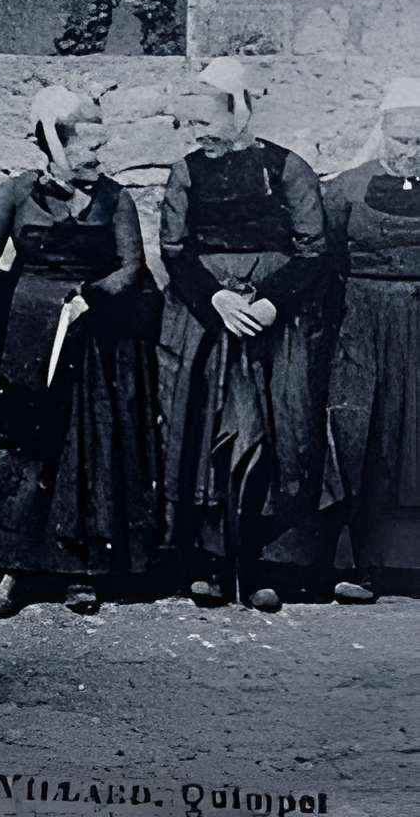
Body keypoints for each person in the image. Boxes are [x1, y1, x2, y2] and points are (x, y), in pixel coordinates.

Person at [0, 85, 162, 621]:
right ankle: (9, 571)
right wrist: (23, 302)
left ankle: (81, 570)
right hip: (26, 338)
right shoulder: (15, 193)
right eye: (84, 150)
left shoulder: (114, 198)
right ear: (53, 143)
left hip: (93, 340)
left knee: (87, 449)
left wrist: (89, 300)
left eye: (100, 150)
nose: (95, 160)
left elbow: (131, 266)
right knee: (23, 450)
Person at [158, 56, 331, 612]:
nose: (200, 130)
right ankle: (209, 565)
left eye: (210, 117)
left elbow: (314, 250)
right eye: (193, 121)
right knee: (211, 430)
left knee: (280, 429)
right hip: (209, 319)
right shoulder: (186, 171)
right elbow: (174, 251)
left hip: (274, 326)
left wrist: (273, 303)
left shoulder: (287, 167)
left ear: (240, 110)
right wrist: (216, 299)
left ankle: (263, 567)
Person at [321, 76, 420, 603]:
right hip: (361, 326)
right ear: (383, 133)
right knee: (366, 435)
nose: (411, 151)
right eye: (403, 139)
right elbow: (326, 259)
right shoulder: (347, 188)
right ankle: (363, 564)